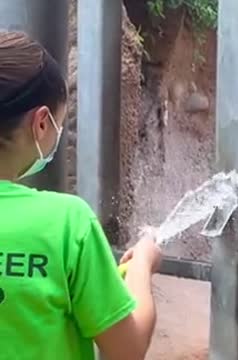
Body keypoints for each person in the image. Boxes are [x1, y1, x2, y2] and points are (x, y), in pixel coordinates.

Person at [0, 31, 162, 359]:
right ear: (42, 123)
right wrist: (142, 265)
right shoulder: (66, 222)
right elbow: (126, 351)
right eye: (59, 124)